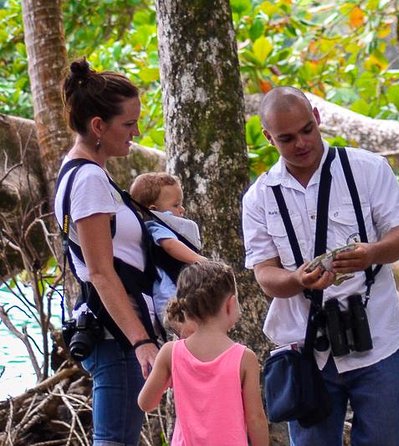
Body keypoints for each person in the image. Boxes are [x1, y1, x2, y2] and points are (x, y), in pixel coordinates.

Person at [242, 86, 399, 445]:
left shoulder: (366, 169)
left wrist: (371, 253)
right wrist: (296, 279)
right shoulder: (260, 197)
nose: (301, 143)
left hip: (376, 337)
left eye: (307, 130)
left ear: (318, 117)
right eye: (287, 138)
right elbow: (265, 275)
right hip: (307, 349)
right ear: (268, 137)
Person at [55, 58, 161, 445]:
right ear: (98, 126)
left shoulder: (82, 173)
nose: (136, 132)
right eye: (129, 124)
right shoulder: (88, 181)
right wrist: (140, 341)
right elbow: (100, 271)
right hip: (116, 337)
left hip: (115, 333)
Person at [137, 261, 270, 446]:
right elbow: (256, 418)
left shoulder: (171, 352)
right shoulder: (244, 358)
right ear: (230, 304)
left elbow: (146, 403)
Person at [129, 172, 206, 321]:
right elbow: (170, 245)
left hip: (173, 288)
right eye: (176, 205)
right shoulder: (155, 226)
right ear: (154, 209)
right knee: (175, 318)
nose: (182, 209)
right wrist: (198, 259)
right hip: (166, 289)